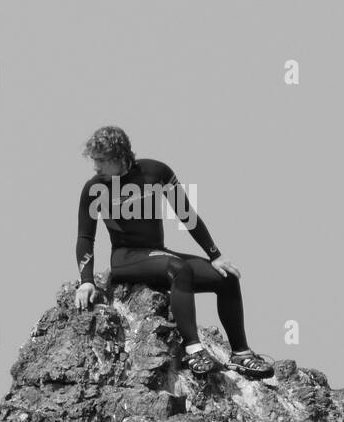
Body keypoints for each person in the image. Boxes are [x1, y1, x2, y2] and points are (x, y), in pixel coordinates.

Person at [73, 125, 274, 379]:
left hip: (157, 254)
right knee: (178, 268)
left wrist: (215, 256)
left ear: (118, 156)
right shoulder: (94, 189)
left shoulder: (156, 172)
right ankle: (194, 350)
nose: (96, 167)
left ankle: (241, 355)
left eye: (101, 161)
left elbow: (186, 215)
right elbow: (85, 237)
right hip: (125, 259)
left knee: (226, 278)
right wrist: (87, 281)